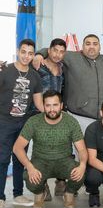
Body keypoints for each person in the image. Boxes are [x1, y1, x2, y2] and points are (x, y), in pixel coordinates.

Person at [12, 91, 87, 208]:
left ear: (61, 105)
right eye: (48, 105)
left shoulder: (71, 121)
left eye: (55, 105)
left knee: (81, 173)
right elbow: (17, 148)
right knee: (29, 177)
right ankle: (40, 192)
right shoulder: (34, 121)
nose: (52, 109)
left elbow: (82, 149)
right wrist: (30, 167)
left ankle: (68, 194)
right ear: (43, 106)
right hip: (41, 161)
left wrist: (82, 165)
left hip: (64, 161)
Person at [34, 34, 103, 131]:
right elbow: (52, 50)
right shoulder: (71, 57)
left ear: (100, 46)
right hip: (79, 116)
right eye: (88, 44)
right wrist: (39, 54)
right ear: (82, 46)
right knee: (80, 145)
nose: (91, 46)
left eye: (95, 44)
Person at [0, 39, 43, 208]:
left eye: (30, 53)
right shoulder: (5, 71)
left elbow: (39, 103)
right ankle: (0, 197)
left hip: (23, 123)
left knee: (20, 159)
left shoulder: (35, 76)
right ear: (18, 51)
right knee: (2, 159)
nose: (26, 56)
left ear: (34, 55)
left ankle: (18, 194)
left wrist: (55, 112)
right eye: (23, 52)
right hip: (4, 122)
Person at [35, 38, 68, 198]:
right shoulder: (37, 65)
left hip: (58, 115)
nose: (58, 54)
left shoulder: (63, 68)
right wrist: (38, 54)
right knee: (41, 151)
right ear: (49, 50)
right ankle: (43, 185)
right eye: (55, 50)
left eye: (61, 51)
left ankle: (61, 181)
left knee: (61, 147)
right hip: (39, 114)